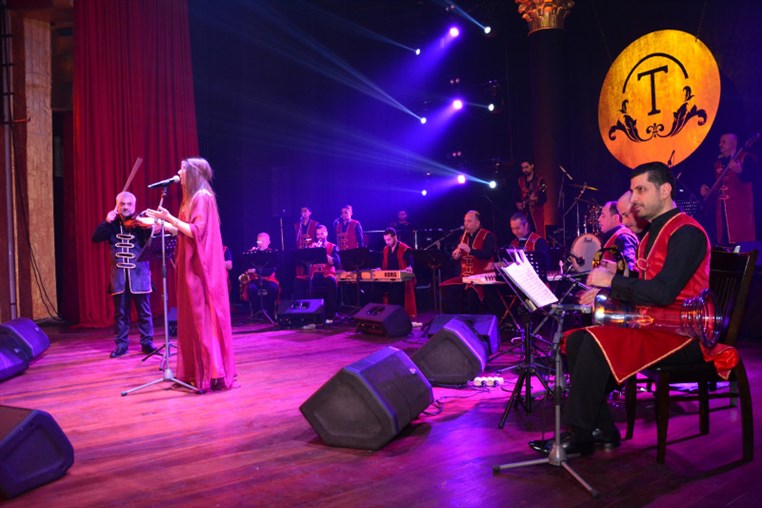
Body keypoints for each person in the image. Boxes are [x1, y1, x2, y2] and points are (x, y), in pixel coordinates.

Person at [529, 161, 735, 457]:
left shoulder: (686, 232)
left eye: (641, 190)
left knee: (594, 343)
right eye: (633, 190)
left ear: (664, 190)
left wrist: (612, 281)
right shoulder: (652, 234)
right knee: (577, 339)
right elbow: (648, 284)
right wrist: (611, 286)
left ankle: (580, 434)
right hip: (655, 327)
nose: (634, 198)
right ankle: (603, 430)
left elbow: (663, 292)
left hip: (684, 336)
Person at [145, 158, 236, 392]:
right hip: (188, 263)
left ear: (194, 173)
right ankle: (198, 370)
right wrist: (162, 223)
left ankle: (211, 371)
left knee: (202, 315)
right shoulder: (190, 198)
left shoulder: (202, 197)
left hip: (199, 266)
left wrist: (170, 219)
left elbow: (196, 232)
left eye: (183, 169)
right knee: (194, 316)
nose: (179, 172)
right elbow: (183, 230)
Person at [92, 191, 157, 358]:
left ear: (134, 206)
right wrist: (106, 222)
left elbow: (152, 240)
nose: (126, 207)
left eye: (129, 204)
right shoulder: (111, 225)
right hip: (119, 276)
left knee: (144, 312)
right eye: (122, 204)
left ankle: (147, 343)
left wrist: (151, 228)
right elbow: (96, 237)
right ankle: (121, 345)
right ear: (117, 206)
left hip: (139, 275)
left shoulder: (140, 224)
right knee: (121, 313)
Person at [700, 132, 756, 244]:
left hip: (741, 210)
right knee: (723, 239)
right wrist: (705, 188)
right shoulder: (717, 163)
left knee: (741, 240)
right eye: (720, 142)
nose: (720, 145)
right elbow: (713, 183)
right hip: (721, 211)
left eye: (723, 142)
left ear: (734, 143)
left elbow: (753, 178)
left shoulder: (746, 158)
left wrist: (740, 171)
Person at [441, 210, 497, 313]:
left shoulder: (488, 236)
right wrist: (456, 257)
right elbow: (459, 261)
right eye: (465, 221)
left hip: (482, 276)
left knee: (472, 291)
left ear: (477, 223)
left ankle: (474, 320)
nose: (466, 224)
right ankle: (456, 318)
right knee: (447, 287)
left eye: (469, 221)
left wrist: (470, 250)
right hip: (465, 277)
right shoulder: (461, 238)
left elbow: (487, 254)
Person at [295, 224, 340, 319]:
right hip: (314, 274)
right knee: (299, 282)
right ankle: (308, 313)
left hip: (327, 274)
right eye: (318, 234)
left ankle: (331, 313)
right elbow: (304, 262)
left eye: (322, 234)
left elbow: (337, 262)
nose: (320, 236)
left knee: (332, 281)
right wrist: (312, 251)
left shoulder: (332, 246)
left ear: (326, 233)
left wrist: (322, 253)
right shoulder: (312, 246)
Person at [373, 228, 416, 317]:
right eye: (385, 240)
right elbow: (381, 263)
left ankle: (396, 316)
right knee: (375, 289)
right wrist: (379, 268)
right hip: (388, 279)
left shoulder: (404, 248)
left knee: (395, 292)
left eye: (389, 240)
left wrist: (409, 267)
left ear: (395, 237)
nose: (387, 242)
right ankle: (380, 315)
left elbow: (411, 261)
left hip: (400, 280)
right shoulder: (386, 249)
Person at [242, 232, 279, 319]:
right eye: (259, 242)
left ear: (268, 242)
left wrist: (255, 270)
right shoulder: (253, 253)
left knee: (273, 288)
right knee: (251, 288)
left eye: (262, 241)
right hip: (255, 279)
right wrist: (249, 255)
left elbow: (270, 271)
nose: (260, 244)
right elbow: (246, 266)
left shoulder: (272, 253)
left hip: (268, 279)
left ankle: (270, 312)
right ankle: (256, 312)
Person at [596, 201, 639, 275]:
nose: (599, 219)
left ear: (615, 218)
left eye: (603, 215)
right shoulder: (614, 237)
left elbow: (631, 269)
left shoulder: (624, 237)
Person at [508, 212, 551, 277]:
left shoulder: (538, 241)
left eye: (517, 228)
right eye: (513, 229)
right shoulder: (513, 243)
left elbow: (546, 265)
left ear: (526, 225)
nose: (515, 232)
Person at [515, 158, 547, 237]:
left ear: (532, 166)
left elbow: (544, 198)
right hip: (524, 213)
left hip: (536, 213)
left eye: (526, 167)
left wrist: (536, 199)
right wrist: (518, 203)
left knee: (537, 234)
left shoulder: (539, 180)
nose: (524, 170)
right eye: (523, 168)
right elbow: (516, 195)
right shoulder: (520, 180)